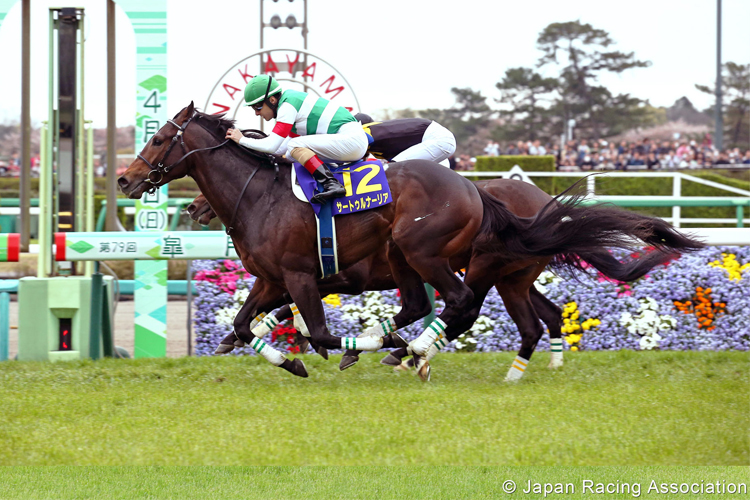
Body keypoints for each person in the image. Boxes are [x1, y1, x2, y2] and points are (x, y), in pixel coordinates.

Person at [225, 74, 367, 203]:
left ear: (272, 100)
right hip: (348, 141)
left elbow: (271, 146)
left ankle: (331, 183)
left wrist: (242, 139)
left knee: (294, 147)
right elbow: (279, 149)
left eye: (258, 107)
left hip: (351, 140)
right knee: (292, 153)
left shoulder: (288, 106)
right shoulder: (290, 106)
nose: (256, 113)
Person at [353, 113, 456, 167]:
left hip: (437, 140)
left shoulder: (370, 134)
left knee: (394, 169)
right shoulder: (379, 141)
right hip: (436, 144)